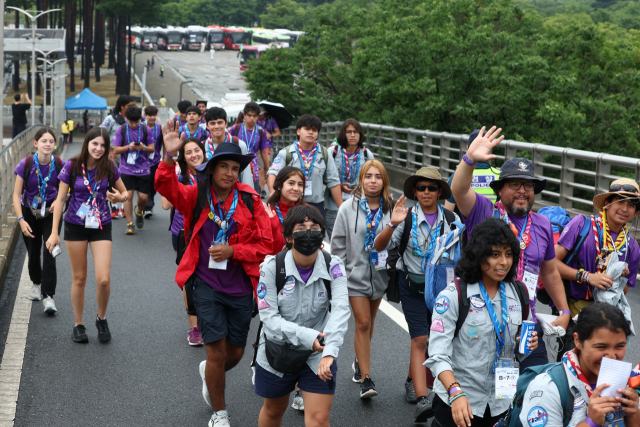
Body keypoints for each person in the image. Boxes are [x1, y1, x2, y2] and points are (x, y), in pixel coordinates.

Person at [155, 121, 273, 427]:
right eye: (224, 166)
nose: (230, 172)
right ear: (212, 167)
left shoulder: (250, 199)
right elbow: (166, 188)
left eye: (235, 167)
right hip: (206, 285)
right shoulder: (197, 195)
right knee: (217, 350)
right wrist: (169, 159)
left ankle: (210, 370)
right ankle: (220, 414)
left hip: (241, 288)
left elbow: (266, 244)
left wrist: (234, 252)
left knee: (232, 354)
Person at [450, 126, 571, 371]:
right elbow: (459, 190)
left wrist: (564, 309)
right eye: (515, 184)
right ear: (500, 189)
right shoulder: (484, 211)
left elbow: (548, 271)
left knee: (532, 386)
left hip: (526, 323)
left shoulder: (542, 224)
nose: (522, 191)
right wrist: (469, 160)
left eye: (528, 186)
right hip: (482, 319)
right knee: (485, 390)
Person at [425, 217, 538, 427]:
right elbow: (437, 355)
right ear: (479, 255)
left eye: (508, 254)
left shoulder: (519, 293)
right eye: (495, 254)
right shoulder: (453, 296)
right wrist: (455, 392)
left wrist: (528, 344)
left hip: (501, 403)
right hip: (458, 402)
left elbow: (518, 352)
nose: (503, 262)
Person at [374, 166, 460, 422]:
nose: (426, 192)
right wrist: (392, 223)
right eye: (421, 188)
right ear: (414, 191)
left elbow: (461, 255)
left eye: (432, 188)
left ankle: (414, 379)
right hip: (410, 286)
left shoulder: (451, 221)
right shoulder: (406, 217)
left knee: (438, 339)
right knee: (420, 339)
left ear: (439, 192)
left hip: (441, 290)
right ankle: (424, 400)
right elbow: (379, 245)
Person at [255, 205, 350, 427]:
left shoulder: (333, 265)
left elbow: (341, 309)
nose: (309, 233)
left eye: (314, 228)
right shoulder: (271, 267)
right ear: (289, 236)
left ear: (322, 233)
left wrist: (330, 351)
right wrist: (310, 337)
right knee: (273, 410)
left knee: (318, 418)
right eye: (301, 228)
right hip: (278, 351)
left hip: (318, 354)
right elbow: (269, 319)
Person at [45, 127, 128, 343]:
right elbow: (60, 200)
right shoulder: (71, 166)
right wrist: (54, 233)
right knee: (79, 278)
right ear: (87, 144)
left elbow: (125, 192)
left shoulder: (109, 166)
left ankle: (101, 318)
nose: (99, 149)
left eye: (103, 145)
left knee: (103, 279)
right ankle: (78, 324)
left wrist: (120, 198)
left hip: (101, 225)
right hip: (75, 225)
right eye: (95, 144)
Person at [331, 159, 394, 400]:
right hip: (354, 276)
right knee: (363, 322)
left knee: (372, 319)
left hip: (379, 276)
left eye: (378, 177)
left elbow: (394, 241)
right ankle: (366, 379)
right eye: (368, 176)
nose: (373, 181)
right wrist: (339, 276)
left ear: (384, 181)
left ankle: (359, 358)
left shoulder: (390, 208)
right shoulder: (347, 208)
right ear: (361, 180)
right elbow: (337, 244)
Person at [519, 303, 639, 427]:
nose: (612, 356)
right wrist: (591, 422)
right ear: (578, 340)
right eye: (601, 347)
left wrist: (633, 413)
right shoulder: (548, 388)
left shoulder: (626, 384)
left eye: (620, 346)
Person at [555, 179, 640, 317]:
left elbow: (624, 290)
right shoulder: (581, 225)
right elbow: (551, 263)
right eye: (620, 201)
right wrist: (587, 277)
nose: (624, 209)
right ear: (607, 203)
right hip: (570, 307)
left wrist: (618, 278)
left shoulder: (632, 246)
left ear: (635, 210)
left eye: (631, 205)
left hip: (604, 313)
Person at [161, 137, 206, 346]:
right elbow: (164, 204)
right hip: (183, 233)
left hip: (208, 232)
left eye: (197, 150)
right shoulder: (181, 176)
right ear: (183, 157)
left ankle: (209, 317)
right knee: (190, 280)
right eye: (189, 152)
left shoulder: (212, 174)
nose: (194, 155)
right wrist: (175, 179)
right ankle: (194, 327)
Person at [12, 127, 62, 310]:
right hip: (29, 214)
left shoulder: (59, 164)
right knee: (33, 251)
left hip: (51, 213)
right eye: (44, 141)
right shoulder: (25, 164)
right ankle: (36, 283)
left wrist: (59, 200)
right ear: (36, 143)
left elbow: (69, 187)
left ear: (55, 145)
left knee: (50, 251)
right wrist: (20, 220)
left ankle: (49, 296)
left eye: (51, 141)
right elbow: (16, 195)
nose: (47, 144)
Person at [267, 115, 342, 220]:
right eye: (307, 129)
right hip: (292, 205)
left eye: (314, 130)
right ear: (298, 131)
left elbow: (334, 182)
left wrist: (342, 209)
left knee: (316, 235)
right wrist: (272, 191)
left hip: (316, 206)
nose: (311, 132)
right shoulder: (286, 153)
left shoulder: (325, 154)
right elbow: (272, 173)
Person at [325, 119, 374, 240]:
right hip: (333, 206)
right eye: (349, 132)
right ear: (343, 134)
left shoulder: (367, 155)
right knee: (336, 240)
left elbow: (373, 179)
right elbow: (322, 177)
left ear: (360, 134)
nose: (352, 135)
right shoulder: (332, 152)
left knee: (355, 239)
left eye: (356, 132)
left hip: (359, 205)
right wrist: (339, 186)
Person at [112, 105, 155, 235]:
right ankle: (130, 224)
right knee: (128, 196)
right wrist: (128, 147)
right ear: (127, 119)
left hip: (144, 169)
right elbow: (116, 149)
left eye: (136, 122)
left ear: (140, 120)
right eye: (131, 122)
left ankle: (139, 211)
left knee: (143, 198)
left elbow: (152, 148)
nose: (134, 125)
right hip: (126, 169)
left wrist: (143, 148)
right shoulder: (122, 130)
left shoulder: (146, 129)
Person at [444, 129, 500, 213]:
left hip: (466, 225)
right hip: (493, 224)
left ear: (467, 148)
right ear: (489, 148)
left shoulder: (457, 177)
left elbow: (448, 212)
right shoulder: (500, 175)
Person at [203, 107, 253, 187]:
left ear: (226, 123)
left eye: (220, 122)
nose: (216, 126)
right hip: (209, 193)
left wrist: (248, 196)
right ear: (207, 126)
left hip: (234, 193)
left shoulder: (239, 144)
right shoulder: (203, 147)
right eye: (212, 123)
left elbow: (246, 175)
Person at [229, 102, 270, 194]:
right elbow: (229, 146)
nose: (252, 118)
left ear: (258, 117)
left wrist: (268, 170)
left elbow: (263, 151)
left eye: (255, 116)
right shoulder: (235, 128)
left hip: (253, 170)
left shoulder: (260, 131)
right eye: (249, 115)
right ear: (244, 115)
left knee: (252, 196)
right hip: (237, 167)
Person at [265, 166, 305, 254]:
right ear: (280, 185)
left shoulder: (307, 211)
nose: (296, 188)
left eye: (300, 184)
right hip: (273, 263)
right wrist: (271, 224)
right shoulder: (267, 211)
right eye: (291, 183)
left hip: (301, 264)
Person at [143, 106, 164, 218]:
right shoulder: (141, 127)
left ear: (157, 115)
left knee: (154, 185)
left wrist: (165, 158)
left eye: (153, 115)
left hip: (155, 161)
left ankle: (148, 203)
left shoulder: (160, 128)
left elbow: (163, 144)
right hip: (142, 161)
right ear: (145, 115)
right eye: (149, 115)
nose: (151, 117)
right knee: (145, 184)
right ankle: (148, 207)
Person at [257, 107, 281, 193]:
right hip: (258, 147)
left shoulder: (270, 119)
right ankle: (262, 189)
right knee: (261, 169)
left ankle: (271, 189)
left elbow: (278, 132)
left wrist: (270, 135)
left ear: (264, 113)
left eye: (260, 114)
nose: (258, 116)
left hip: (269, 146)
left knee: (268, 168)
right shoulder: (255, 121)